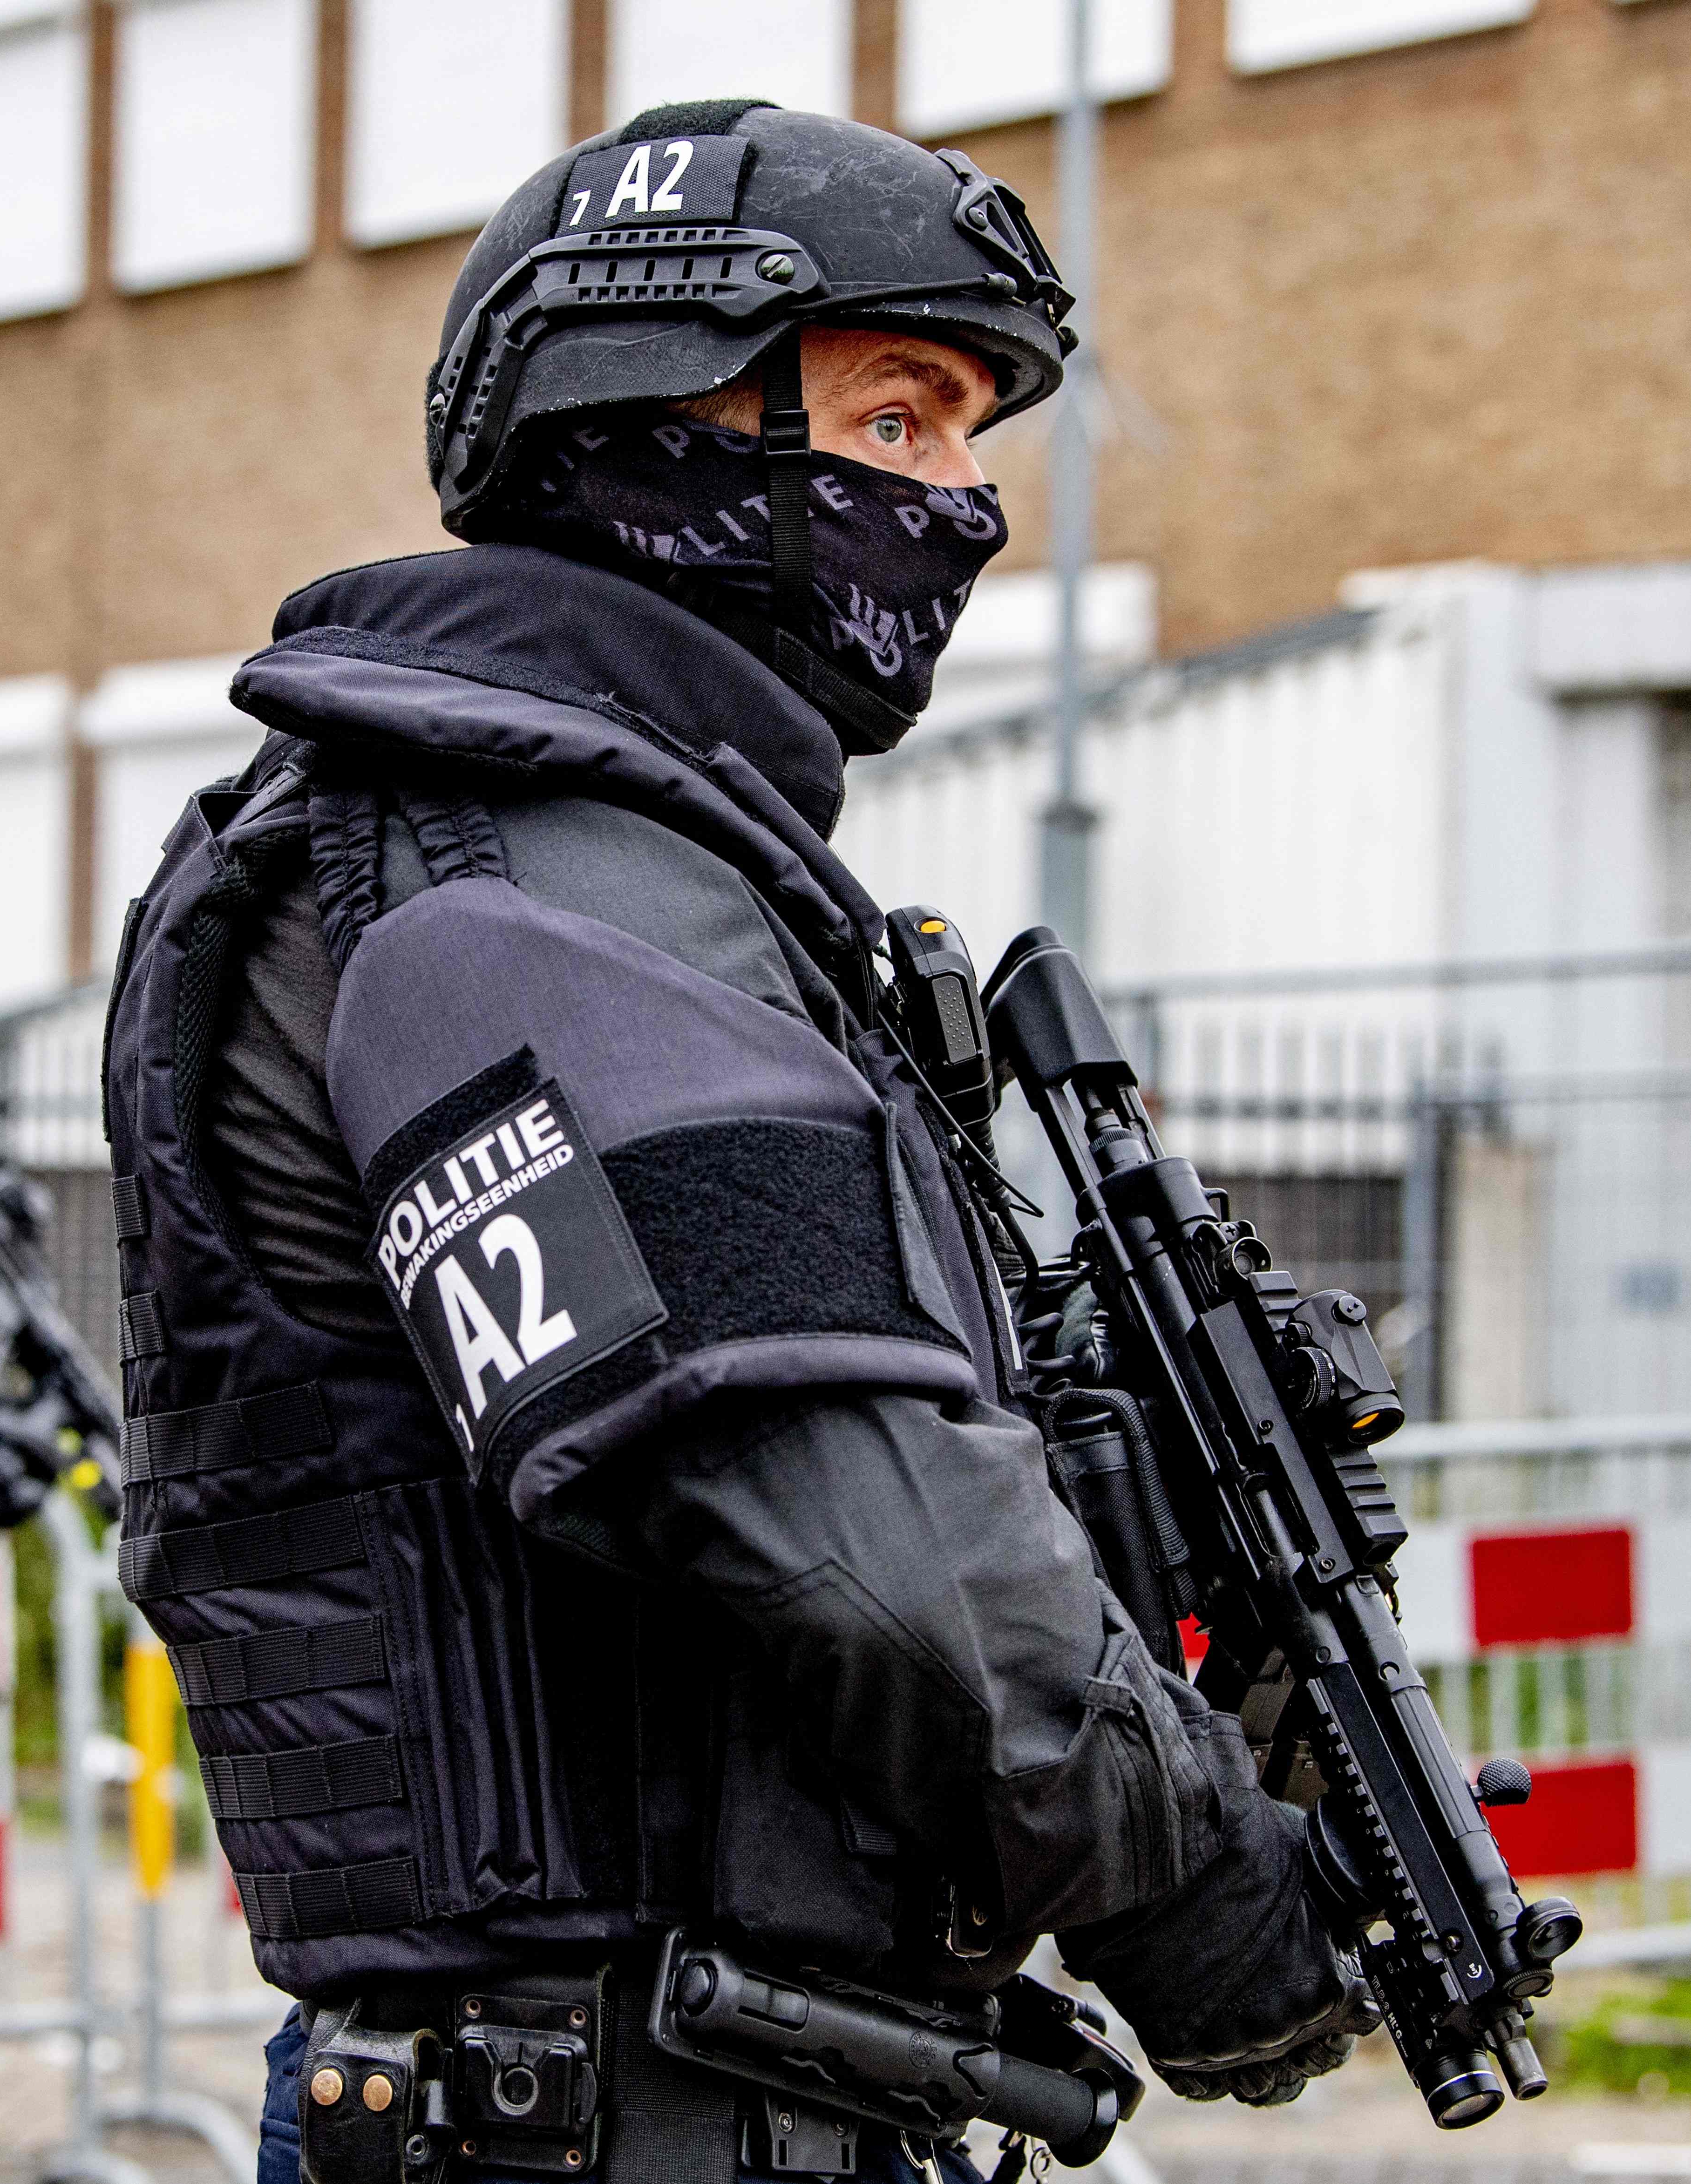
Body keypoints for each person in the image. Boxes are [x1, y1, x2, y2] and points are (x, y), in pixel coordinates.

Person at [102, 101, 1371, 2184]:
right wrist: (1205, 1893)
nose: (960, 506)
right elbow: (861, 1540)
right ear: (644, 417)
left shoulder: (638, 865)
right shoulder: (511, 881)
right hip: (597, 2117)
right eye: (899, 421)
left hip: (729, 2089)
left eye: (975, 438)